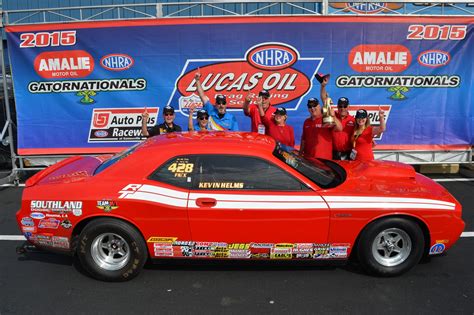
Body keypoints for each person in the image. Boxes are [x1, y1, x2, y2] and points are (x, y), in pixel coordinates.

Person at [320, 76, 355, 160]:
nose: (342, 108)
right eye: (340, 106)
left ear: (348, 106)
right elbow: (325, 100)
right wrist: (323, 86)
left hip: (348, 153)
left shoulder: (353, 120)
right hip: (333, 153)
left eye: (345, 106)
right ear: (337, 106)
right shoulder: (333, 115)